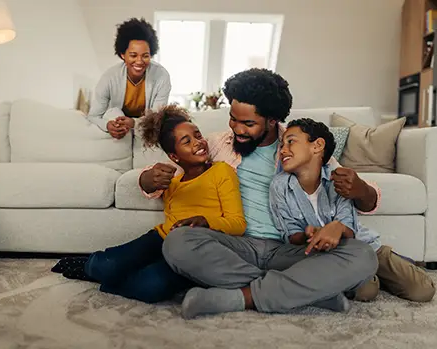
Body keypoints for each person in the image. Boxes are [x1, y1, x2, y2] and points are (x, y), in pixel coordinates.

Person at [139, 68, 380, 319]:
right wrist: (148, 179)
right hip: (234, 248)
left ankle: (241, 297)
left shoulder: (298, 146)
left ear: (272, 120)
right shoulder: (217, 143)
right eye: (233, 118)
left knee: (362, 256)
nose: (237, 129)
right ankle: (309, 291)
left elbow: (366, 200)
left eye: (248, 123)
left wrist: (361, 189)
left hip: (290, 251)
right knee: (178, 242)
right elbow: (173, 171)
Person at [51, 105, 246, 304]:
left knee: (151, 286)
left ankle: (108, 282)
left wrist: (205, 221)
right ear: (174, 156)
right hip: (160, 238)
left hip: (193, 251)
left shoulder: (221, 171)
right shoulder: (172, 180)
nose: (198, 143)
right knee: (106, 264)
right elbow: (147, 182)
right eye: (187, 141)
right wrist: (148, 178)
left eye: (198, 135)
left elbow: (238, 224)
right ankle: (92, 267)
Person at [269, 118, 435, 304]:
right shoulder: (279, 186)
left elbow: (349, 224)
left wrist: (337, 228)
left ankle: (394, 266)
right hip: (328, 258)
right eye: (281, 144)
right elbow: (289, 233)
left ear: (317, 146)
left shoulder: (339, 179)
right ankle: (373, 276)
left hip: (364, 246)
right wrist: (309, 235)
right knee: (366, 291)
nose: (283, 149)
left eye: (290, 141)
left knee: (423, 291)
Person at [87, 18, 171, 139]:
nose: (139, 61)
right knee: (113, 113)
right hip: (117, 122)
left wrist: (134, 123)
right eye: (133, 55)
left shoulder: (161, 76)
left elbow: (157, 118)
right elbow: (93, 116)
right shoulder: (109, 77)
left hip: (146, 128)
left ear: (151, 54)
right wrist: (107, 125)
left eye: (145, 56)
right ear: (123, 55)